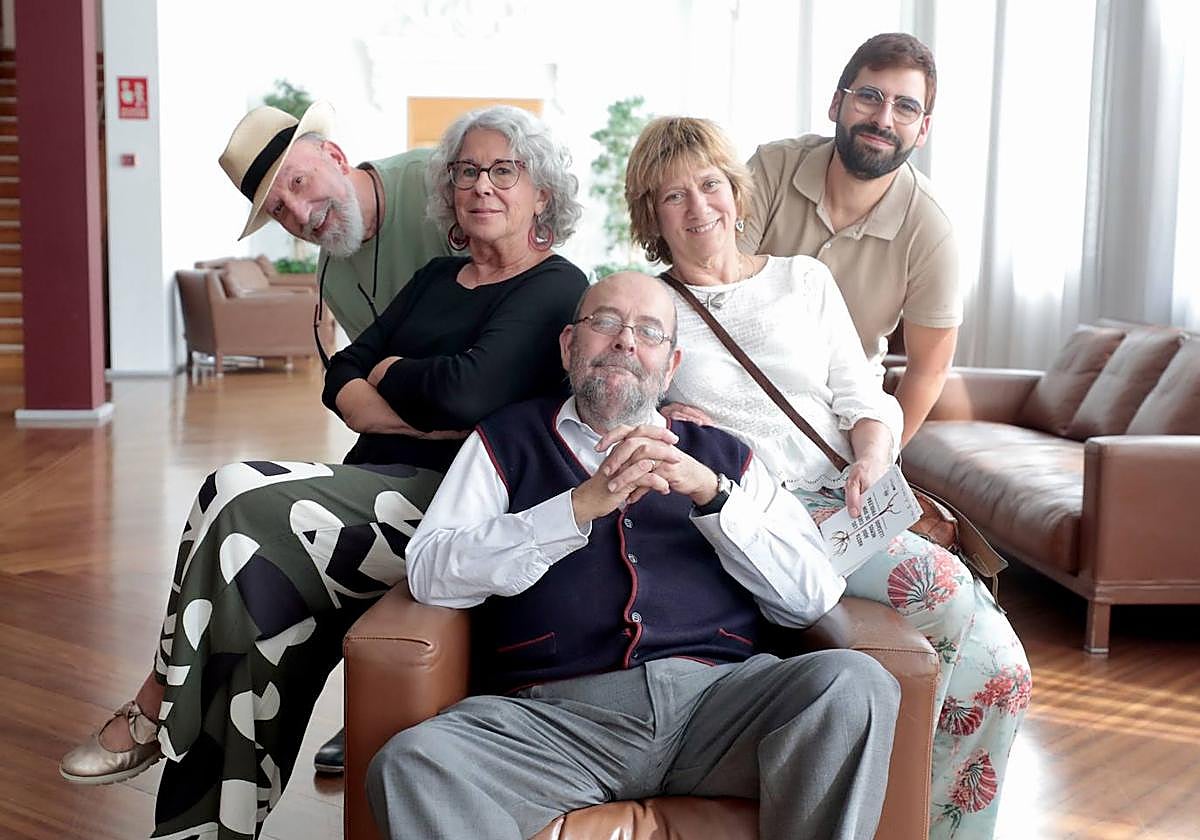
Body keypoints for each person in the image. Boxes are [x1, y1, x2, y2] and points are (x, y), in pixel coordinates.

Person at [59, 105, 589, 840]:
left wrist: (391, 373)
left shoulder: (556, 286)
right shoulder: (437, 276)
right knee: (244, 599)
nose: (481, 185)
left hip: (455, 504)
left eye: (504, 171)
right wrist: (408, 401)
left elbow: (467, 394)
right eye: (467, 171)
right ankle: (200, 829)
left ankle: (156, 704)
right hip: (374, 483)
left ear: (542, 192)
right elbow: (342, 372)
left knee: (237, 491)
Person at [368, 271, 901, 840]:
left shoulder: (728, 458)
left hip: (719, 710)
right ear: (569, 346)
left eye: (648, 332)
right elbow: (429, 571)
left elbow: (813, 595)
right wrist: (574, 509)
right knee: (414, 764)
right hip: (554, 722)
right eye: (605, 323)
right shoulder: (504, 440)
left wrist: (714, 497)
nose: (625, 340)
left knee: (853, 685)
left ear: (671, 367)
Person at [625, 116, 1030, 840]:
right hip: (762, 515)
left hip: (848, 497)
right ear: (651, 216)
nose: (698, 207)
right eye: (673, 196)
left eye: (710, 185)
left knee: (1000, 672)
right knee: (964, 618)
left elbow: (861, 397)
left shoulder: (801, 279)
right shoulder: (652, 309)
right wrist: (671, 420)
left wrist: (873, 456)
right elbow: (620, 410)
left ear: (736, 192)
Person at [739, 32, 958, 445]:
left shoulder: (932, 228)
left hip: (841, 416)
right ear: (836, 103)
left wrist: (880, 457)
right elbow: (713, 279)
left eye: (906, 107)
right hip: (740, 384)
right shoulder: (771, 168)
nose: (883, 119)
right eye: (870, 97)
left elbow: (929, 369)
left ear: (923, 129)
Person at [219, 100, 450, 341]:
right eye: (279, 209)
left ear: (335, 157)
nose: (301, 215)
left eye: (298, 181)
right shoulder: (333, 280)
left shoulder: (439, 181)